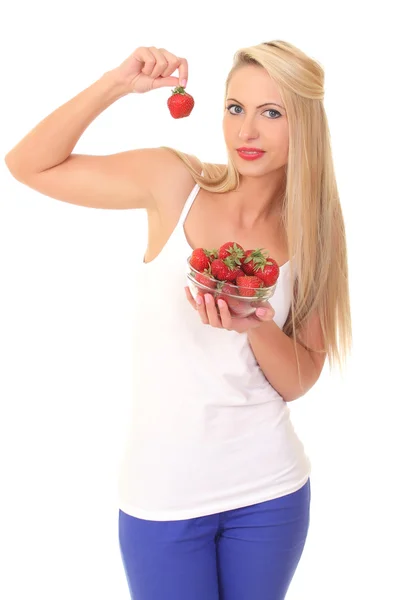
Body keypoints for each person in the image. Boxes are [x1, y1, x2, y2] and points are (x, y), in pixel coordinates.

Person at [5, 40, 352, 600]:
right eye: (235, 108)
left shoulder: (314, 236)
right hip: (161, 493)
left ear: (305, 124)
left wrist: (254, 323)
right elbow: (27, 164)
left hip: (270, 492)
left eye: (271, 113)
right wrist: (116, 84)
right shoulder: (175, 182)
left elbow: (300, 379)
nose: (247, 132)